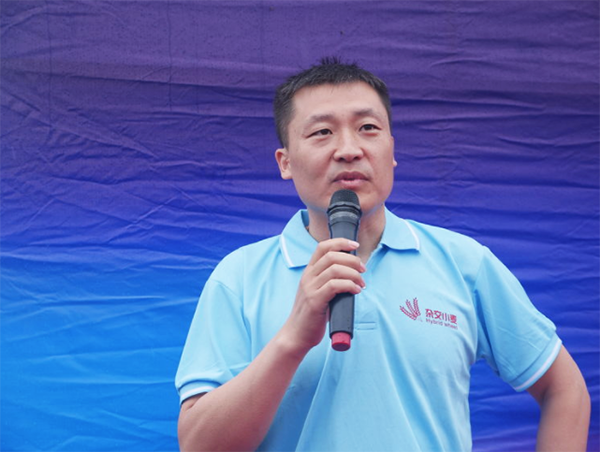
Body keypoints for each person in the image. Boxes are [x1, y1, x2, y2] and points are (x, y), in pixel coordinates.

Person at [175, 57, 590, 452]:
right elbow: (199, 445)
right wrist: (293, 339)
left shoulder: (465, 263)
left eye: (368, 128)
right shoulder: (239, 277)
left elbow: (564, 387)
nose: (348, 149)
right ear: (285, 162)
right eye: (322, 132)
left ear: (391, 150)